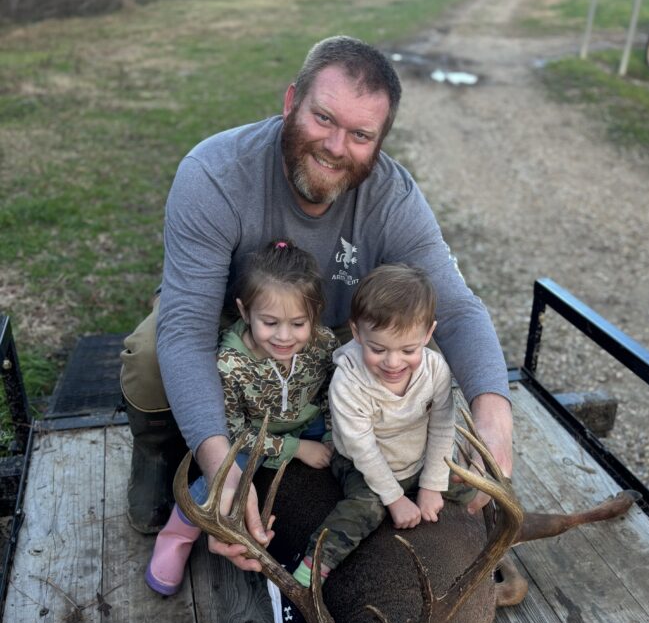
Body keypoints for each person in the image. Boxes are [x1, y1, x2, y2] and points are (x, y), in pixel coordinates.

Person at [120, 35, 514, 571]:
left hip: (326, 336)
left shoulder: (393, 198)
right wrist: (221, 467)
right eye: (323, 118)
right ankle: (159, 451)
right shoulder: (214, 172)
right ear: (290, 103)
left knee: (402, 370)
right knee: (149, 355)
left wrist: (495, 416)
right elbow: (187, 331)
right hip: (228, 318)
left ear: (379, 143)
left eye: (360, 134)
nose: (335, 145)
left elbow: (460, 311)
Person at [269, 264, 474, 623]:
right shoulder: (349, 380)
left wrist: (432, 484)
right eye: (377, 348)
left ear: (429, 334)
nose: (393, 362)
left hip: (415, 458)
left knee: (471, 490)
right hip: (363, 463)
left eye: (408, 350)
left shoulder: (436, 371)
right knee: (364, 511)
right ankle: (302, 577)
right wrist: (395, 498)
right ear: (358, 332)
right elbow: (362, 447)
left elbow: (443, 427)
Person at [144, 240, 337, 595]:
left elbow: (327, 393)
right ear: (244, 311)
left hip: (307, 420)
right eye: (270, 322)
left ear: (315, 315)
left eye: (298, 323)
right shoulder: (229, 364)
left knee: (348, 448)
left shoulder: (321, 344)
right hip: (252, 436)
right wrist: (295, 448)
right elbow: (232, 432)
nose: (284, 336)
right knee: (213, 486)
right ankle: (175, 538)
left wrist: (327, 436)